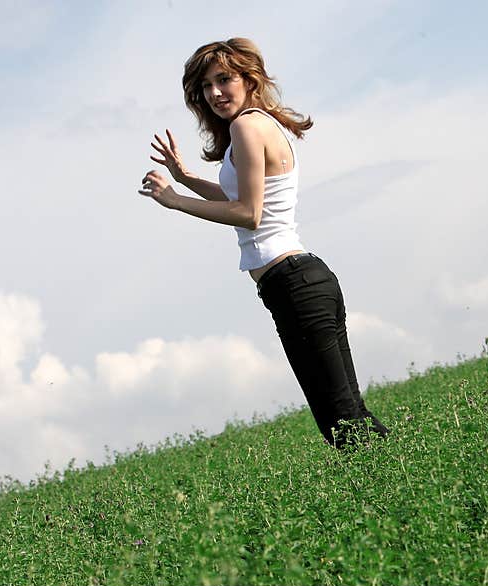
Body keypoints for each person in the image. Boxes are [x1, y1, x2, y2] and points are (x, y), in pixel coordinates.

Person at [138, 37, 388, 448]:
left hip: (294, 284)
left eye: (224, 79)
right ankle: (400, 489)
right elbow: (243, 202)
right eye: (205, 86)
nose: (215, 92)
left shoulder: (245, 126)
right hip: (301, 280)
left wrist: (175, 201)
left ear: (249, 79)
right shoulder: (259, 125)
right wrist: (184, 178)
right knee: (347, 415)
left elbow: (248, 215)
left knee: (341, 422)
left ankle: (398, 495)